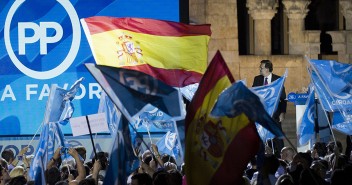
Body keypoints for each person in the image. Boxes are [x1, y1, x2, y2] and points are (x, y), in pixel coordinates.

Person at [252, 59, 287, 157]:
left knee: (277, 138)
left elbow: (283, 98)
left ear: (267, 69)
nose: (260, 69)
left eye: (261, 68)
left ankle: (282, 157)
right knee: (260, 137)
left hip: (274, 115)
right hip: (261, 115)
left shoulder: (277, 80)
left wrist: (283, 112)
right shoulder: (257, 79)